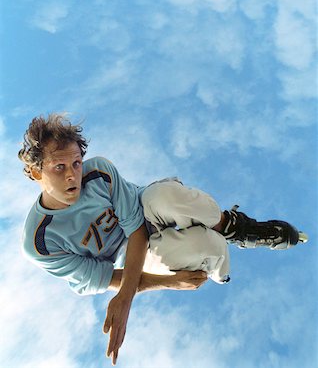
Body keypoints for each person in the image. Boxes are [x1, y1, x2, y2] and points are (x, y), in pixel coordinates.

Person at [18, 114, 303, 365]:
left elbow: (137, 229)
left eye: (76, 163)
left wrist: (126, 299)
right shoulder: (40, 243)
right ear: (35, 172)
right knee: (210, 246)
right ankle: (218, 264)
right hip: (133, 258)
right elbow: (106, 276)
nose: (72, 175)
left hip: (147, 216)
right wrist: (169, 281)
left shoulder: (99, 173)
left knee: (165, 195)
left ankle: (235, 228)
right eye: (59, 167)